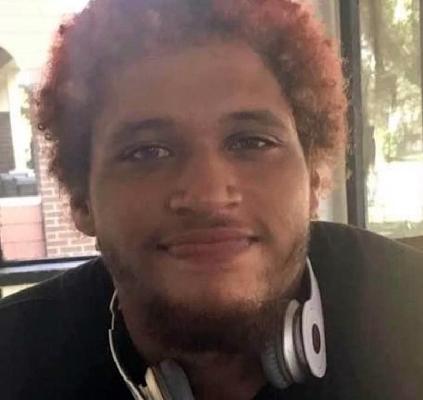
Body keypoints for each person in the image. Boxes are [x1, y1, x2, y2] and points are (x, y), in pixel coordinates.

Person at [0, 1, 422, 399]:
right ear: (81, 200)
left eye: (252, 142)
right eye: (147, 152)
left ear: (313, 178)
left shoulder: (409, 310)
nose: (208, 196)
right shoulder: (14, 359)